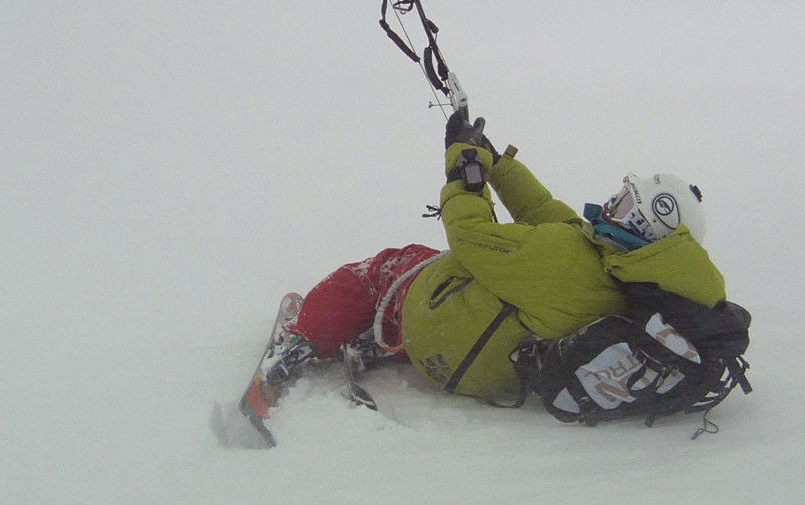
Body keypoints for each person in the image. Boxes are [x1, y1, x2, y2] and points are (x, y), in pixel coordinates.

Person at [275, 110, 737, 415]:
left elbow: (470, 235)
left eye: (622, 202)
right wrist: (495, 163)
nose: (609, 204)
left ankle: (301, 341)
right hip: (488, 361)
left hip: (448, 348)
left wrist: (463, 168)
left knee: (388, 268)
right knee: (467, 271)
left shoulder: (567, 259)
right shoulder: (618, 270)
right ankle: (387, 343)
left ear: (640, 221)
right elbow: (542, 212)